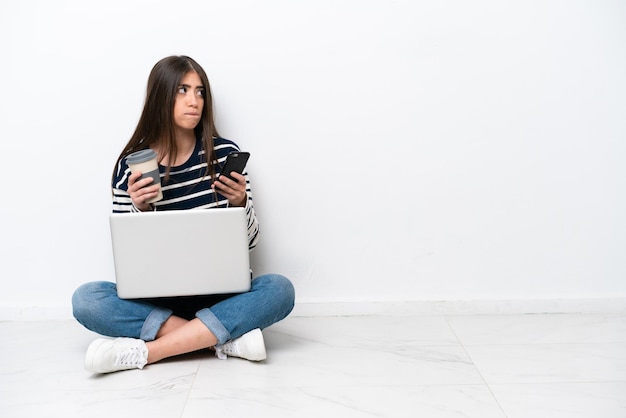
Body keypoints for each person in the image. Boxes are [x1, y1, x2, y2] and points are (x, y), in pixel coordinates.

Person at [72, 55, 295, 374]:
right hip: (160, 300)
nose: (195, 101)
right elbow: (128, 259)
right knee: (87, 299)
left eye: (200, 91)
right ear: (161, 96)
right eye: (183, 90)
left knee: (280, 288)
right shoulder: (131, 167)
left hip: (221, 295)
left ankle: (149, 352)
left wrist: (238, 203)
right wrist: (140, 208)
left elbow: (251, 242)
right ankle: (222, 339)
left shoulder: (224, 155)